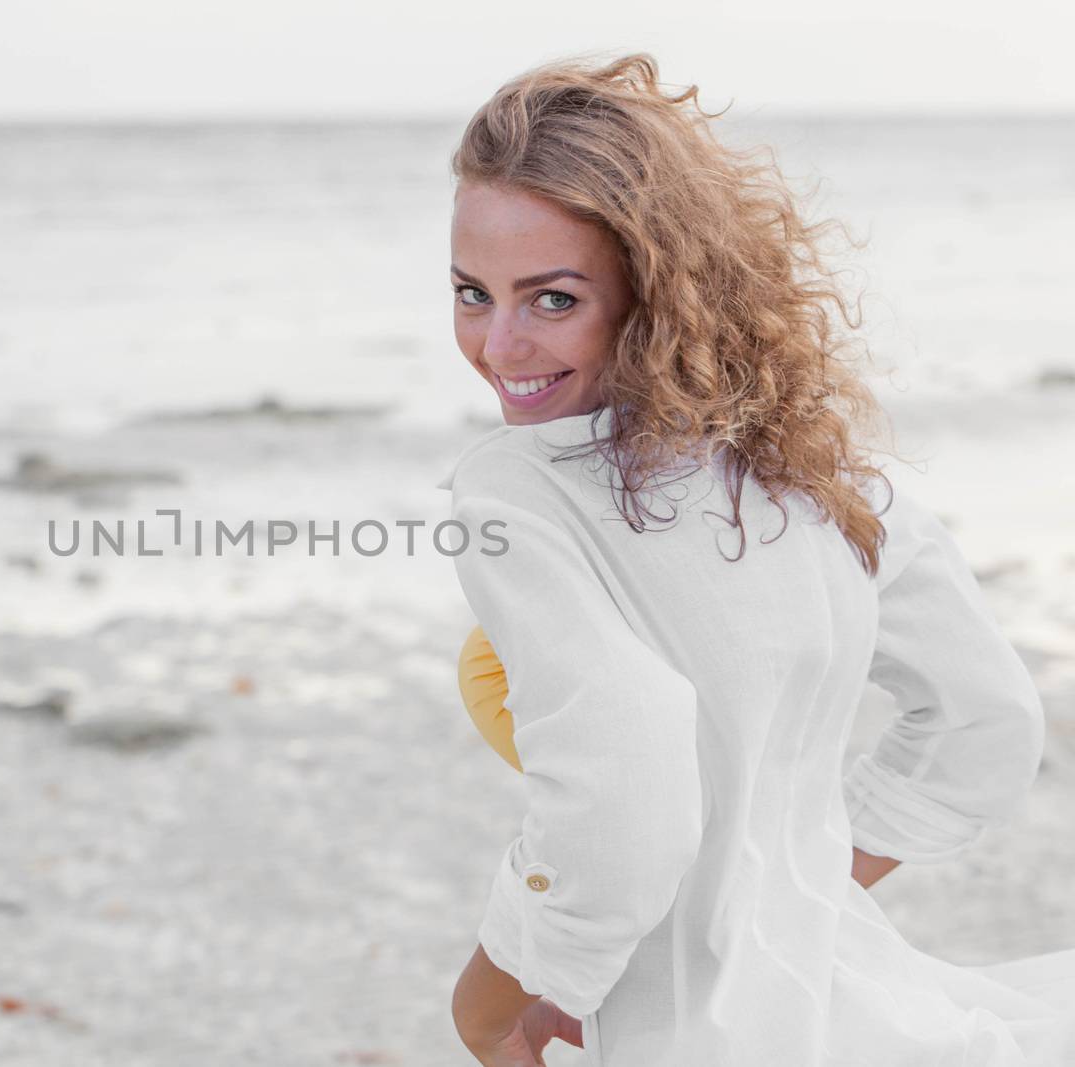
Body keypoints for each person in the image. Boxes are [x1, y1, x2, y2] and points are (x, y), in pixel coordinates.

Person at [438, 52, 1075, 1066]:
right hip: (853, 999)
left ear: (653, 287)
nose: (498, 344)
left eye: (551, 298)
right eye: (473, 292)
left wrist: (519, 989)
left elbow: (629, 781)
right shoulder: (822, 471)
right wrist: (785, 889)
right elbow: (984, 718)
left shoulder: (516, 490)